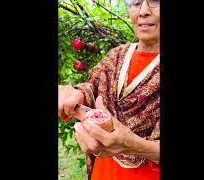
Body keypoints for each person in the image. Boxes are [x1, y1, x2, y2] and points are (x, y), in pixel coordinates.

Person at [58, 0, 160, 179]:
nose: (143, 11)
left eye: (155, 1)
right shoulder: (116, 54)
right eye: (136, 3)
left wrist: (132, 144)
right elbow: (93, 87)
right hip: (104, 171)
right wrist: (77, 94)